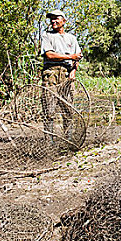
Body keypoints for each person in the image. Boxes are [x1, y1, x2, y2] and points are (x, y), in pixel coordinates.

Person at [40, 10, 82, 142]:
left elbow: (78, 57)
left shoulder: (71, 38)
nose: (53, 21)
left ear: (63, 21)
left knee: (68, 109)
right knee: (49, 109)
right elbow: (49, 55)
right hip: (51, 74)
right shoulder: (47, 36)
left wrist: (73, 72)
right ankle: (49, 143)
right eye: (51, 19)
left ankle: (68, 139)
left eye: (56, 18)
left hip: (66, 74)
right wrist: (70, 56)